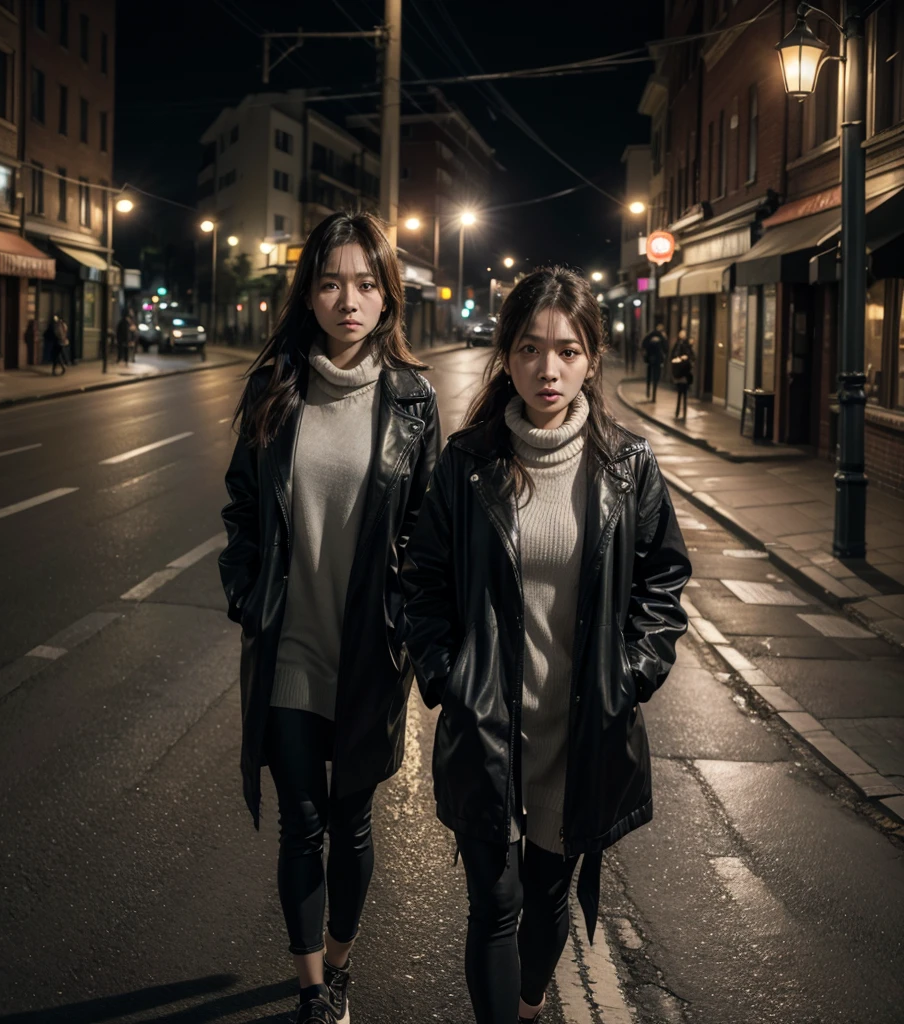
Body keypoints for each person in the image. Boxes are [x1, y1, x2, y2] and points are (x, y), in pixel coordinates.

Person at [400, 266, 691, 1024]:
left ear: (593, 356)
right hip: (489, 722)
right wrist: (446, 674)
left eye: (566, 349)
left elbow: (664, 584)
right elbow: (420, 583)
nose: (548, 368)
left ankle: (529, 1007)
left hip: (581, 727)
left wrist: (629, 673)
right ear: (507, 356)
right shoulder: (468, 465)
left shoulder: (629, 466)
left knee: (546, 895)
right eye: (530, 348)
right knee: (492, 902)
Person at [219, 211, 441, 1024]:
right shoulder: (274, 387)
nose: (349, 298)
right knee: (300, 823)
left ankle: (340, 964)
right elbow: (244, 509)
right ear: (308, 295)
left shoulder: (413, 406)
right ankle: (314, 988)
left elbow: (428, 538)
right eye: (330, 281)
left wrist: (407, 626)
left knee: (350, 822)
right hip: (288, 649)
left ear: (388, 297)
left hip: (368, 657)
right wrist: (246, 593)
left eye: (365, 282)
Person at [641, 320, 668, 402]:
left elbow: (643, 344)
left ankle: (648, 391)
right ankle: (653, 396)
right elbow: (666, 348)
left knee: (649, 376)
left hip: (650, 359)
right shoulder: (662, 336)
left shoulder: (650, 334)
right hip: (657, 360)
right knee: (656, 377)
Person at [671, 330, 695, 419]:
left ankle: (679, 412)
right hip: (683, 374)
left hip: (681, 374)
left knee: (681, 393)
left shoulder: (679, 346)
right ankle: (681, 412)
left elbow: (673, 356)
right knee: (683, 393)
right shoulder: (683, 346)